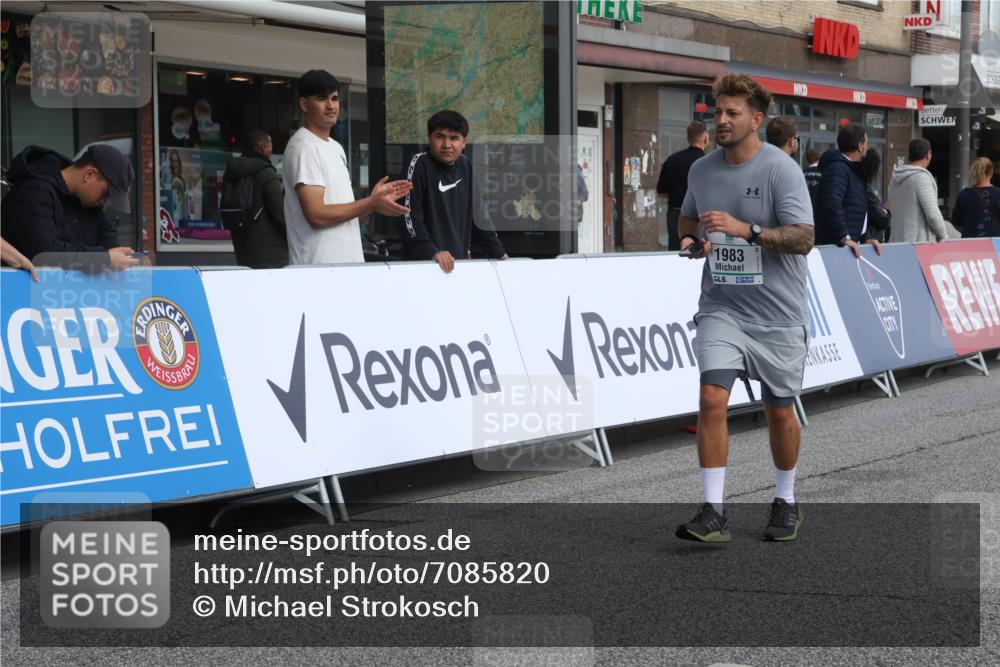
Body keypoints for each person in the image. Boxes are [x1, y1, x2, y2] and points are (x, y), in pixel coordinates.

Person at [676, 74, 814, 543]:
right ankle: (714, 511)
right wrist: (691, 241)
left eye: (733, 113)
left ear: (757, 120)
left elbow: (804, 239)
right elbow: (687, 218)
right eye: (717, 112)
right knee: (712, 397)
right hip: (722, 306)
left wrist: (746, 230)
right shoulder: (701, 170)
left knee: (779, 411)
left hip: (777, 312)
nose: (722, 120)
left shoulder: (781, 170)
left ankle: (786, 499)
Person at [283, 69, 412, 265]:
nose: (330, 106)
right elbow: (317, 215)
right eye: (321, 99)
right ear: (304, 104)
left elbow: (345, 216)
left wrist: (374, 203)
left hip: (346, 267)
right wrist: (370, 203)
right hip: (318, 271)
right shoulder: (304, 147)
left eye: (334, 98)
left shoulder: (335, 147)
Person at [0, 144, 139, 271]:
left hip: (64, 293)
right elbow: (44, 253)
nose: (104, 201)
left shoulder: (87, 202)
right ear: (90, 175)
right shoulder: (32, 192)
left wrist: (117, 254)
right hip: (22, 292)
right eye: (105, 193)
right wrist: (104, 259)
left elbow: (107, 235)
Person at [400, 110, 507, 273]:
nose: (446, 144)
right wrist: (431, 251)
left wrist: (500, 254)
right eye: (440, 136)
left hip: (457, 267)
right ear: (429, 138)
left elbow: (478, 216)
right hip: (421, 267)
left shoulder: (465, 165)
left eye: (454, 138)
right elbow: (408, 216)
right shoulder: (418, 164)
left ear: (464, 142)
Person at [223, 130, 288, 268]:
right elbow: (279, 214)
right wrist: (292, 237)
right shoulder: (267, 173)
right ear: (262, 148)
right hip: (271, 252)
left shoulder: (231, 172)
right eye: (270, 145)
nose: (272, 149)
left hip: (242, 246)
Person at [816, 124, 881, 257]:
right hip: (837, 249)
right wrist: (844, 237)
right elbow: (832, 203)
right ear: (860, 145)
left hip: (850, 246)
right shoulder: (838, 168)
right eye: (866, 143)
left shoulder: (852, 170)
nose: (868, 148)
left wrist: (865, 238)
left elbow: (854, 209)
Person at [656, 121, 709, 250]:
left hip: (675, 214)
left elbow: (661, 191)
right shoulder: (709, 163)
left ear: (688, 138)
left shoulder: (672, 160)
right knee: (701, 251)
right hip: (700, 215)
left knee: (675, 253)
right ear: (706, 138)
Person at [888, 138, 948, 243]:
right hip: (918, 245)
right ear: (928, 154)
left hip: (897, 242)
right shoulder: (921, 178)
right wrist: (943, 235)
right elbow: (933, 215)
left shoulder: (895, 178)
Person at [951, 157, 1000, 238]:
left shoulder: (964, 194)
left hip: (970, 244)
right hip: (995, 245)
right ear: (991, 172)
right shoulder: (998, 193)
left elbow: (957, 221)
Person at [861, 148, 891, 244]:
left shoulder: (863, 187)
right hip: (869, 241)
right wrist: (886, 213)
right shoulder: (865, 189)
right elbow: (882, 219)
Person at [803, 148, 821, 219]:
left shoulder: (802, 173)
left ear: (807, 160)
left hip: (806, 210)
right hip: (820, 209)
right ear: (819, 159)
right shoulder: (824, 172)